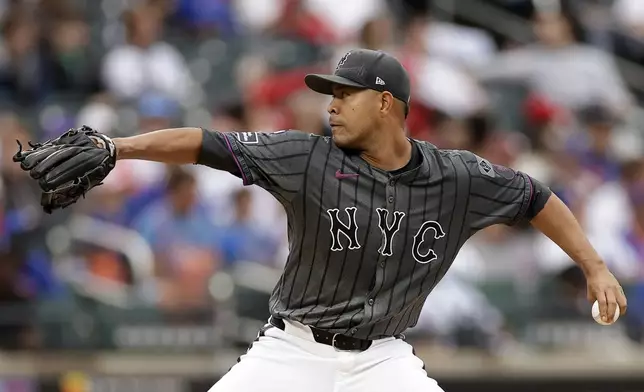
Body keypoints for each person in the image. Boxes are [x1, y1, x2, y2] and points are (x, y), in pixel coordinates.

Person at [20, 49, 628, 391]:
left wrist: (594, 265)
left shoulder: (457, 177)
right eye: (328, 93)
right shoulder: (305, 157)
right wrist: (117, 147)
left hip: (385, 361)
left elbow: (535, 197)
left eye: (345, 94)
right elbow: (204, 143)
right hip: (292, 351)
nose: (331, 105)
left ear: (385, 104)